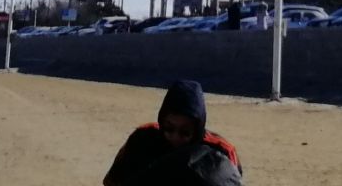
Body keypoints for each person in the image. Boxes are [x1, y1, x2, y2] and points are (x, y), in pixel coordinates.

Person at [103, 80, 243, 186]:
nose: (175, 137)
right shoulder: (143, 139)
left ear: (197, 129)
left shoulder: (220, 151)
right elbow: (113, 181)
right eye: (169, 129)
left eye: (185, 132)